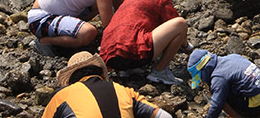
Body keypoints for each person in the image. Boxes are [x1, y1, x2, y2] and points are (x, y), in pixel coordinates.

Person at [98, 0, 190, 85]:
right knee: (180, 24)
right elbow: (173, 23)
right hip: (132, 53)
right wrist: (186, 46)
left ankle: (127, 71)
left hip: (109, 57)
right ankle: (160, 71)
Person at [41, 50, 172, 118]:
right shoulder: (124, 91)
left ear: (70, 81)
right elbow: (164, 116)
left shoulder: (62, 95)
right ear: (101, 73)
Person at [185, 48, 260, 118]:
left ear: (204, 70)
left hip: (255, 108)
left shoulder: (219, 77)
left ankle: (237, 116)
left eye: (200, 77)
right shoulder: (232, 57)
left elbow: (217, 105)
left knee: (218, 95)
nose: (202, 80)